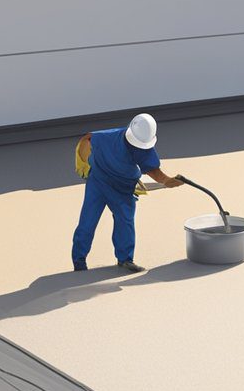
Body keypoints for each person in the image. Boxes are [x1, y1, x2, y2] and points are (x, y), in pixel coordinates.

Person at [71, 113, 183, 273]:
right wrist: (83, 162)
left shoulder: (144, 148)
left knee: (125, 222)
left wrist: (166, 180)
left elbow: (153, 170)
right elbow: (87, 139)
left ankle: (125, 260)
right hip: (98, 183)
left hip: (123, 188)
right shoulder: (105, 137)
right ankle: (79, 261)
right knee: (88, 222)